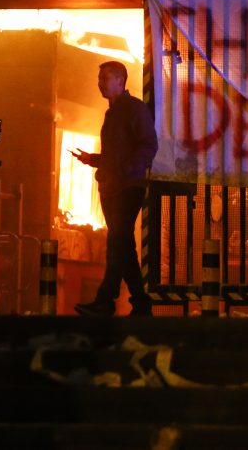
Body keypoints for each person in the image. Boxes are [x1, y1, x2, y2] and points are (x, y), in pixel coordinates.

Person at [72, 60, 158, 317]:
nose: (100, 83)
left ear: (121, 81)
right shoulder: (113, 112)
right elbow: (118, 155)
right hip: (113, 188)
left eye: (105, 78)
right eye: (99, 79)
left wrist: (125, 170)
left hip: (127, 187)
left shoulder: (133, 109)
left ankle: (105, 299)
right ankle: (141, 303)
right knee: (123, 246)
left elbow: (147, 146)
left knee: (116, 242)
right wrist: (95, 160)